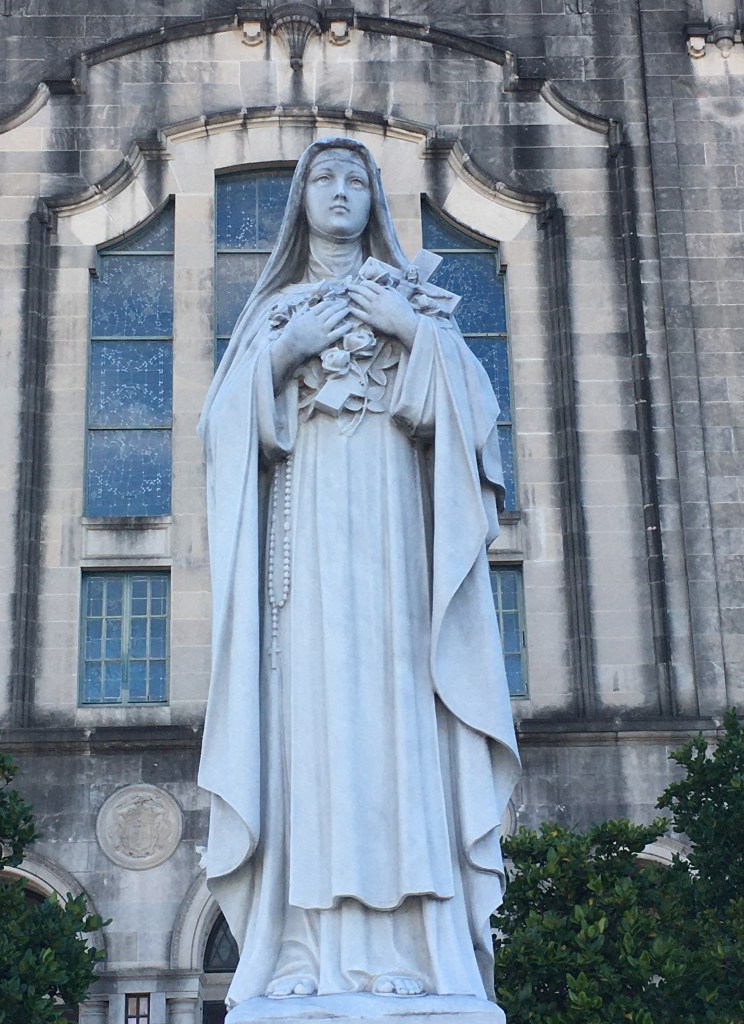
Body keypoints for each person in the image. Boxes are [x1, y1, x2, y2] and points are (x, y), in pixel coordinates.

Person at [197, 137, 521, 1010]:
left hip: (394, 549)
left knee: (394, 729)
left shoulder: (414, 301)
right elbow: (219, 435)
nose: (339, 191)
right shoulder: (274, 314)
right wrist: (286, 351)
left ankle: (405, 948)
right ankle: (301, 950)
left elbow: (475, 420)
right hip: (302, 556)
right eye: (323, 178)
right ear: (301, 199)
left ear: (375, 197)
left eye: (355, 179)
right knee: (309, 733)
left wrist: (409, 330)